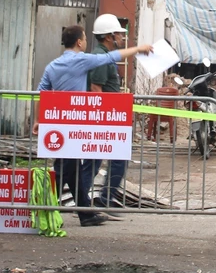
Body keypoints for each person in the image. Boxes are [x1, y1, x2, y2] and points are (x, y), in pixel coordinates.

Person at [33, 24, 153, 227]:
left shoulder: (52, 66)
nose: (87, 42)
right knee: (65, 169)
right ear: (79, 42)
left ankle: (84, 213)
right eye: (84, 39)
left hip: (58, 124)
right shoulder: (81, 60)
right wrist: (139, 49)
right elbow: (110, 57)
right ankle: (43, 208)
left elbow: (40, 93)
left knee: (70, 169)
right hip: (74, 123)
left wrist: (38, 119)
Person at [86, 14, 129, 209]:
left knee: (95, 162)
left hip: (110, 115)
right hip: (106, 117)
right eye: (119, 34)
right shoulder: (101, 58)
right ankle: (102, 200)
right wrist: (107, 117)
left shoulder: (106, 56)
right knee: (102, 161)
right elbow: (96, 90)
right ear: (109, 36)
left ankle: (99, 200)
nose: (122, 37)